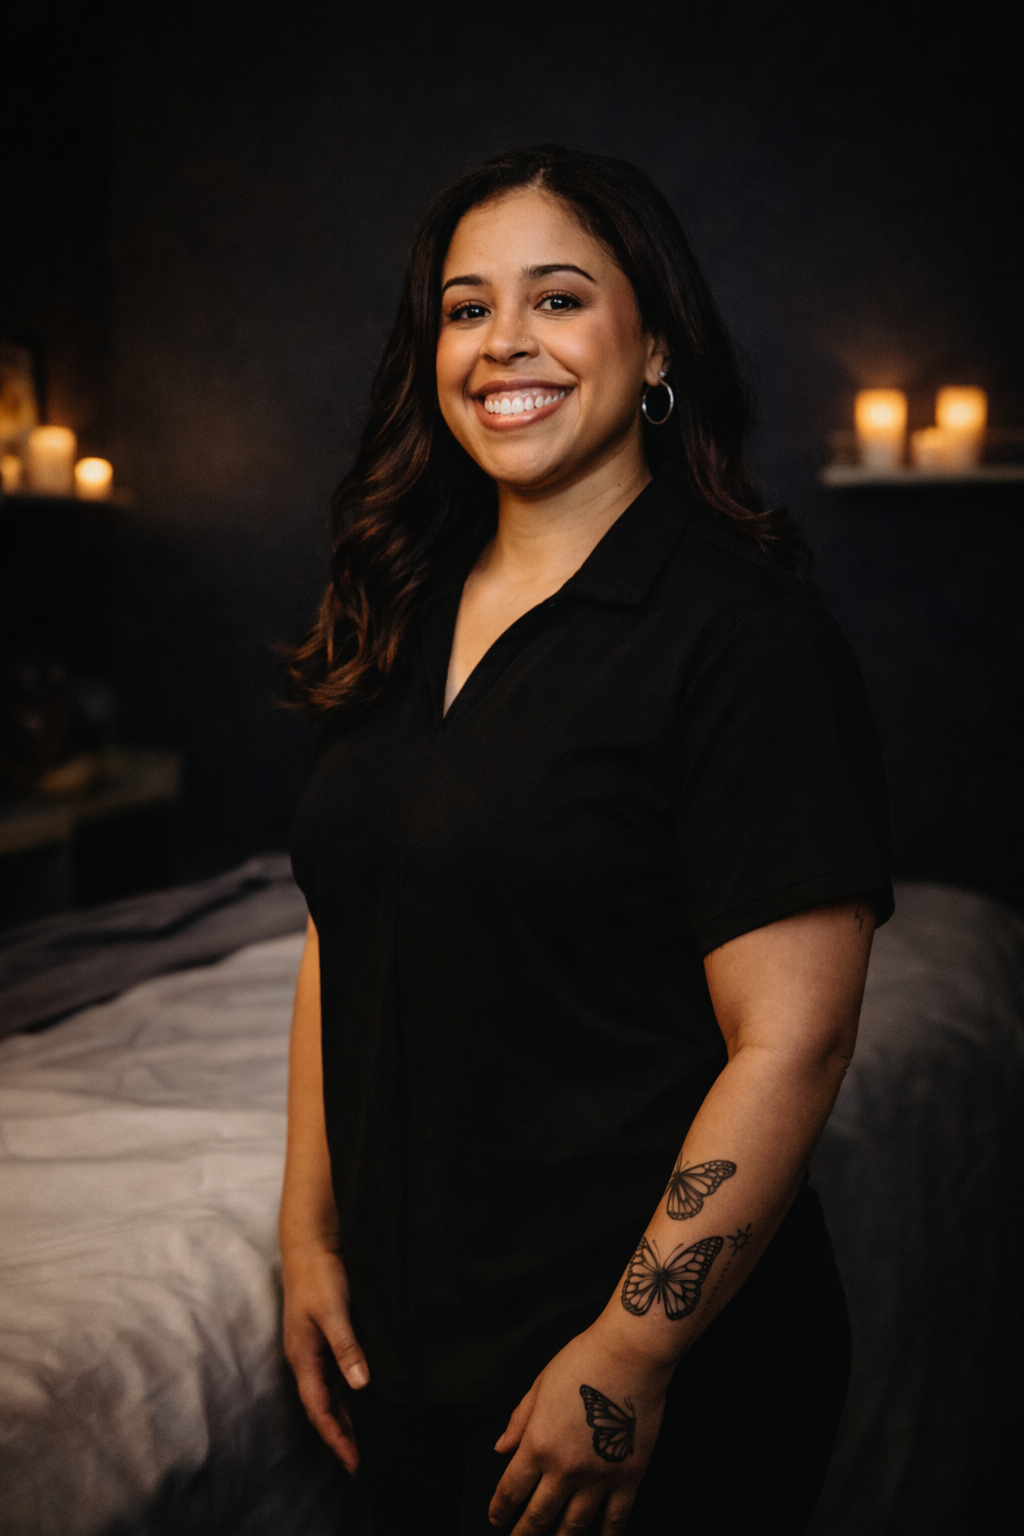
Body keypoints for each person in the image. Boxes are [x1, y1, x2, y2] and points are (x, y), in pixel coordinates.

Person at [280, 145, 892, 1536]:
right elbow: (342, 924)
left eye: (557, 299)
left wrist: (629, 1353)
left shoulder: (744, 637)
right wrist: (306, 1233)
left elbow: (794, 1040)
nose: (504, 341)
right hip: (417, 1354)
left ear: (655, 338)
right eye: (465, 306)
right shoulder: (396, 612)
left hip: (648, 1373)